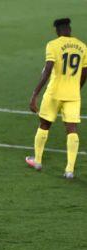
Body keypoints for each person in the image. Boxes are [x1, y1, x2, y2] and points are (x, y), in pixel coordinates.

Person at [27, 18, 87, 179]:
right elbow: (85, 73)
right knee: (72, 130)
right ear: (69, 29)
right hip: (73, 95)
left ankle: (38, 161)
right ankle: (69, 170)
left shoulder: (53, 45)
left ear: (57, 30)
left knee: (44, 125)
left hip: (54, 93)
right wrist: (76, 88)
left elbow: (47, 71)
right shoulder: (82, 47)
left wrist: (35, 94)